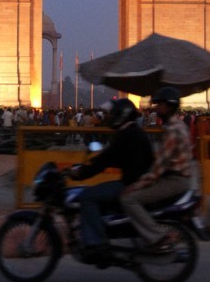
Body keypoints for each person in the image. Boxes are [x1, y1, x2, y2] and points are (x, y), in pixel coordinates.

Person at [69, 98, 154, 263]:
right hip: (137, 181)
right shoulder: (135, 132)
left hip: (130, 184)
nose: (110, 116)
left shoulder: (126, 135)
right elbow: (115, 158)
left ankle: (97, 243)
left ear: (121, 115)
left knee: (87, 196)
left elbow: (105, 160)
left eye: (113, 113)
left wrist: (81, 173)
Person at [120, 86, 193, 253]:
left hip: (175, 180)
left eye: (160, 104)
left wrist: (136, 185)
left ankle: (157, 237)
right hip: (178, 177)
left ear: (169, 106)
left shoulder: (172, 130)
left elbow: (158, 168)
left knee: (128, 199)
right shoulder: (178, 125)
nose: (156, 108)